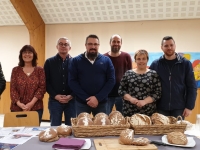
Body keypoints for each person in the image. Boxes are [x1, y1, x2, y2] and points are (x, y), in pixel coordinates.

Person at [149, 36, 197, 118]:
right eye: (166, 46)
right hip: (160, 108)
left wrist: (189, 106)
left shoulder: (185, 64)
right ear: (162, 47)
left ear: (175, 46)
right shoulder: (155, 64)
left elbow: (191, 86)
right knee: (162, 131)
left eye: (171, 45)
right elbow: (150, 86)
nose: (169, 48)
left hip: (179, 108)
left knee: (178, 131)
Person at [69, 34, 115, 116]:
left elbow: (111, 80)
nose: (93, 46)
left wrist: (97, 98)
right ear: (85, 45)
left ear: (98, 45)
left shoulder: (106, 60)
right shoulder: (76, 61)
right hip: (82, 103)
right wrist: (87, 99)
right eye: (90, 44)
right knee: (82, 127)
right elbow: (72, 81)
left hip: (101, 103)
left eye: (95, 44)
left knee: (102, 128)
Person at [118, 49, 161, 117]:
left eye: (144, 59)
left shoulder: (153, 74)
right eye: (139, 59)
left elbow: (157, 93)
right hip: (129, 112)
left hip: (148, 112)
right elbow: (121, 90)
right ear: (135, 60)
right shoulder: (128, 73)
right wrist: (130, 99)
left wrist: (144, 101)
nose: (141, 61)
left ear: (147, 60)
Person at [44, 37, 76, 126]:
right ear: (57, 46)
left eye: (66, 44)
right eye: (61, 44)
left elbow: (78, 82)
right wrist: (55, 96)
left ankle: (69, 141)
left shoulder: (75, 62)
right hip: (55, 101)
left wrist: (71, 96)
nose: (63, 46)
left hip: (71, 101)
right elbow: (46, 82)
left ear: (70, 48)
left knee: (71, 127)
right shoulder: (49, 62)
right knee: (55, 127)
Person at [10, 45, 46, 123]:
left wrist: (31, 103)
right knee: (17, 133)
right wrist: (19, 104)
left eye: (29, 52)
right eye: (24, 52)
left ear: (34, 55)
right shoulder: (15, 70)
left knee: (33, 132)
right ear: (21, 55)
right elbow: (13, 89)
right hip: (17, 108)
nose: (27, 54)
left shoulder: (40, 70)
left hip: (36, 107)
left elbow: (42, 88)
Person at [104, 34, 132, 114]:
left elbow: (130, 75)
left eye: (118, 42)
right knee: (106, 120)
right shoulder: (104, 57)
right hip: (107, 95)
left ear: (121, 43)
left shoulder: (126, 56)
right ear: (110, 43)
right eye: (114, 41)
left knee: (123, 120)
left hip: (123, 95)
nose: (116, 43)